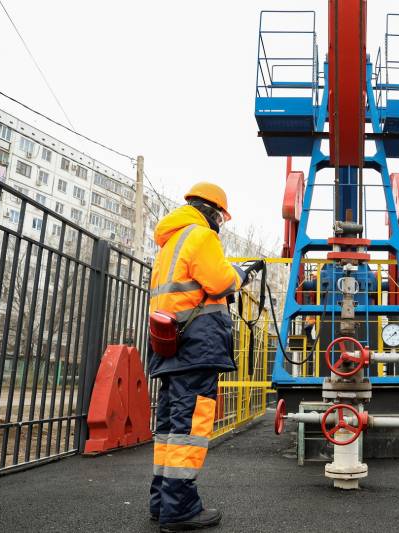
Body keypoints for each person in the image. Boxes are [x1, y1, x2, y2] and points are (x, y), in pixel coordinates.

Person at [147, 182, 263, 531]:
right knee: (189, 428)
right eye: (221, 218)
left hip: (170, 347)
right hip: (196, 348)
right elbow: (221, 283)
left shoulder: (169, 244)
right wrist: (242, 273)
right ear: (213, 212)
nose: (220, 225)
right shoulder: (201, 236)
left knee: (169, 429)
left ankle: (162, 502)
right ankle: (180, 508)